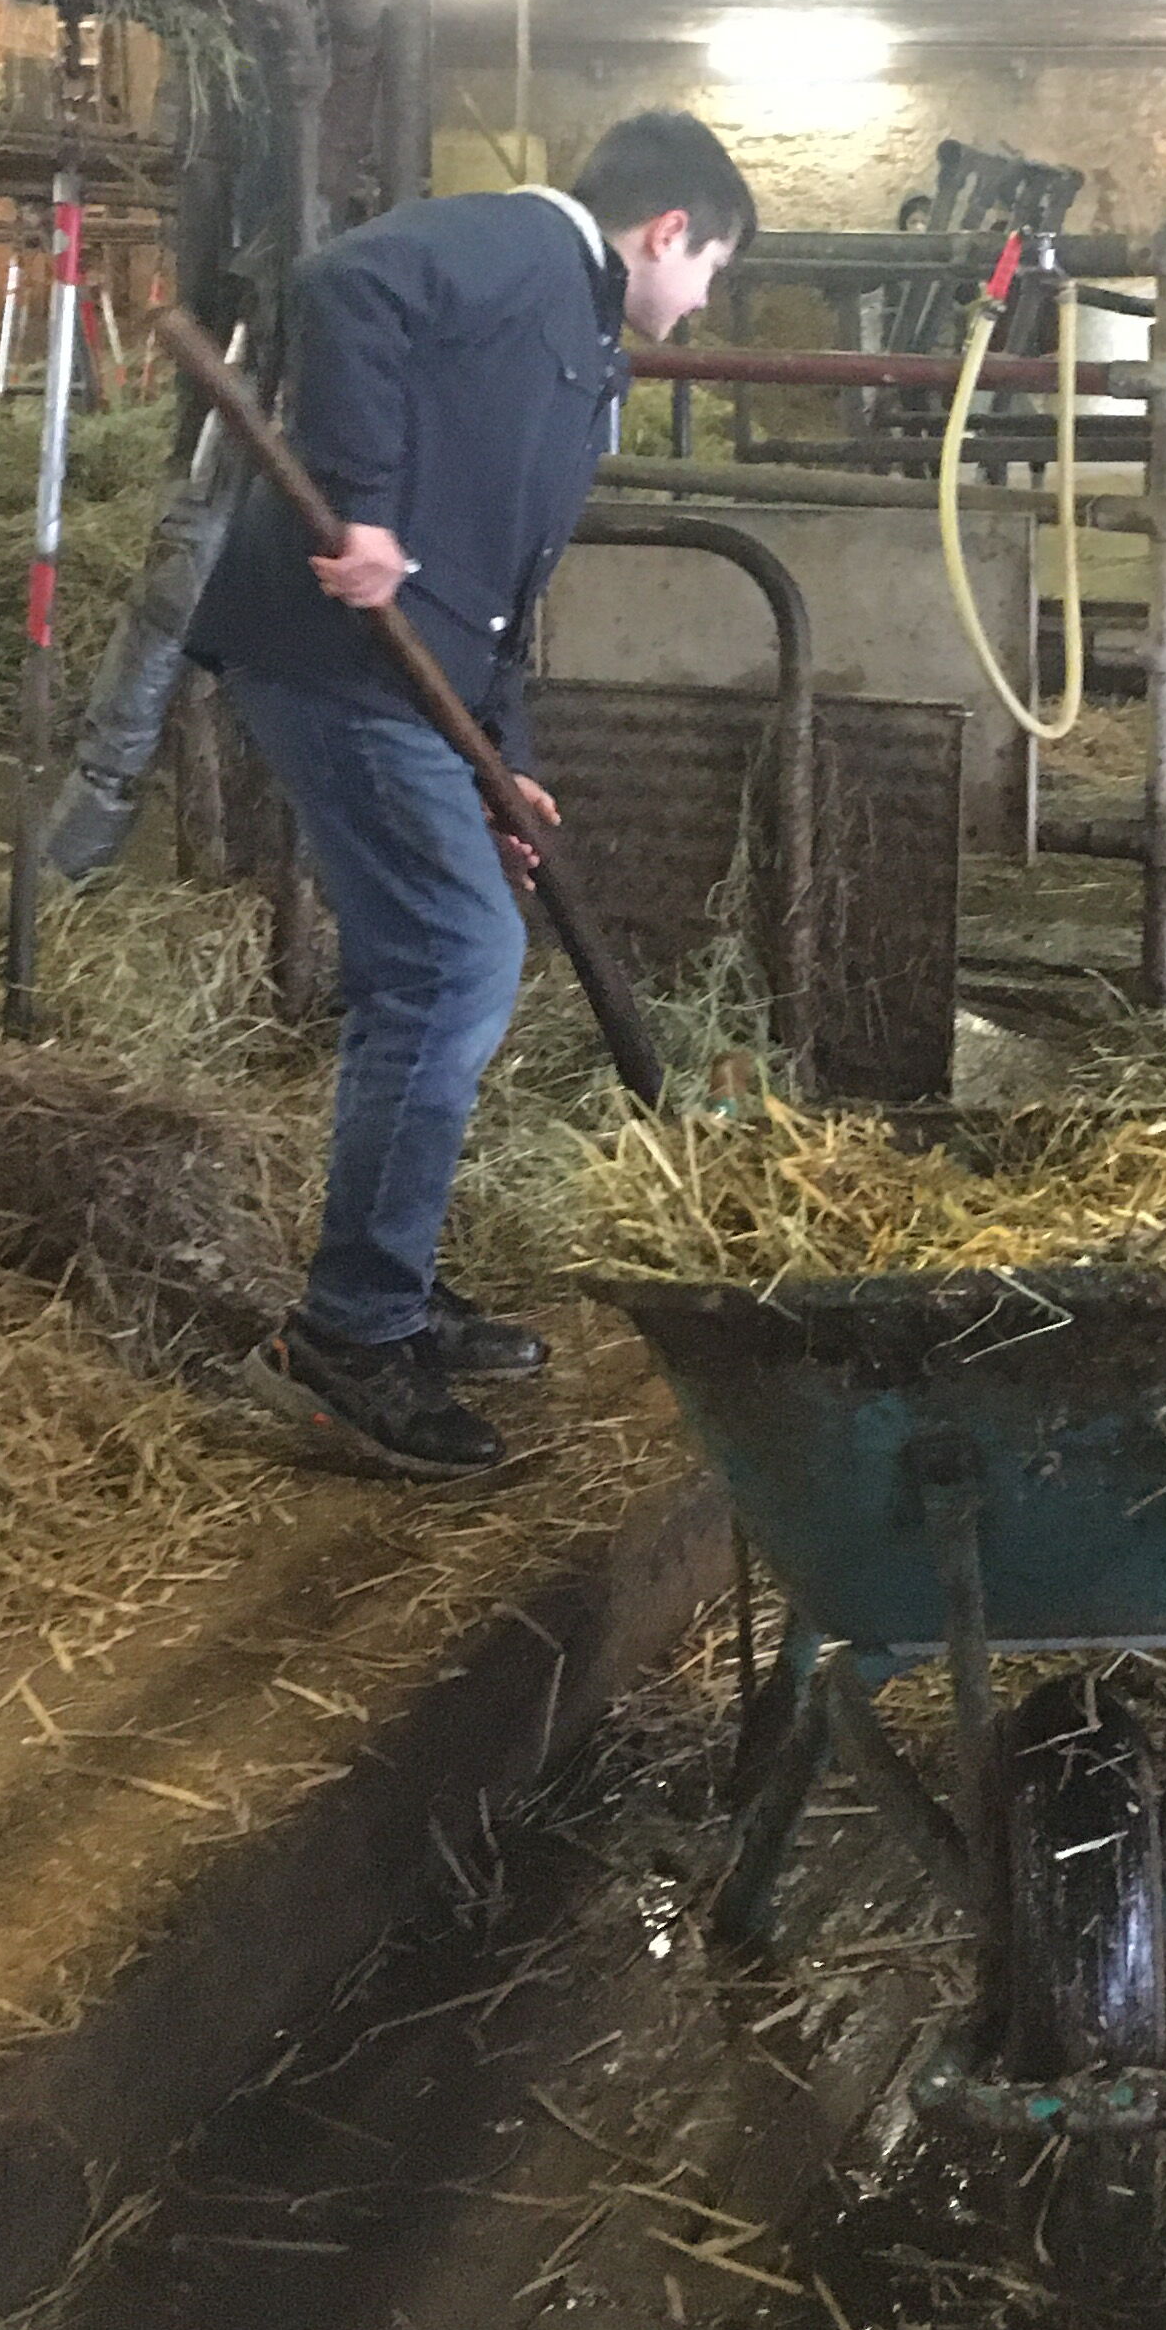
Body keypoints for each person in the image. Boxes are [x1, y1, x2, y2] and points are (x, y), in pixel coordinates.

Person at [189, 110, 757, 1482]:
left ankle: (386, 1287)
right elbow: (344, 284)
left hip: (415, 681)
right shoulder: (519, 247)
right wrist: (362, 503)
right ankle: (350, 1335)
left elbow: (500, 571)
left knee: (433, 967)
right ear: (668, 230)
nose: (701, 305)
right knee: (454, 963)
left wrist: (504, 757)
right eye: (712, 272)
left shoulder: (579, 326)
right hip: (338, 664)